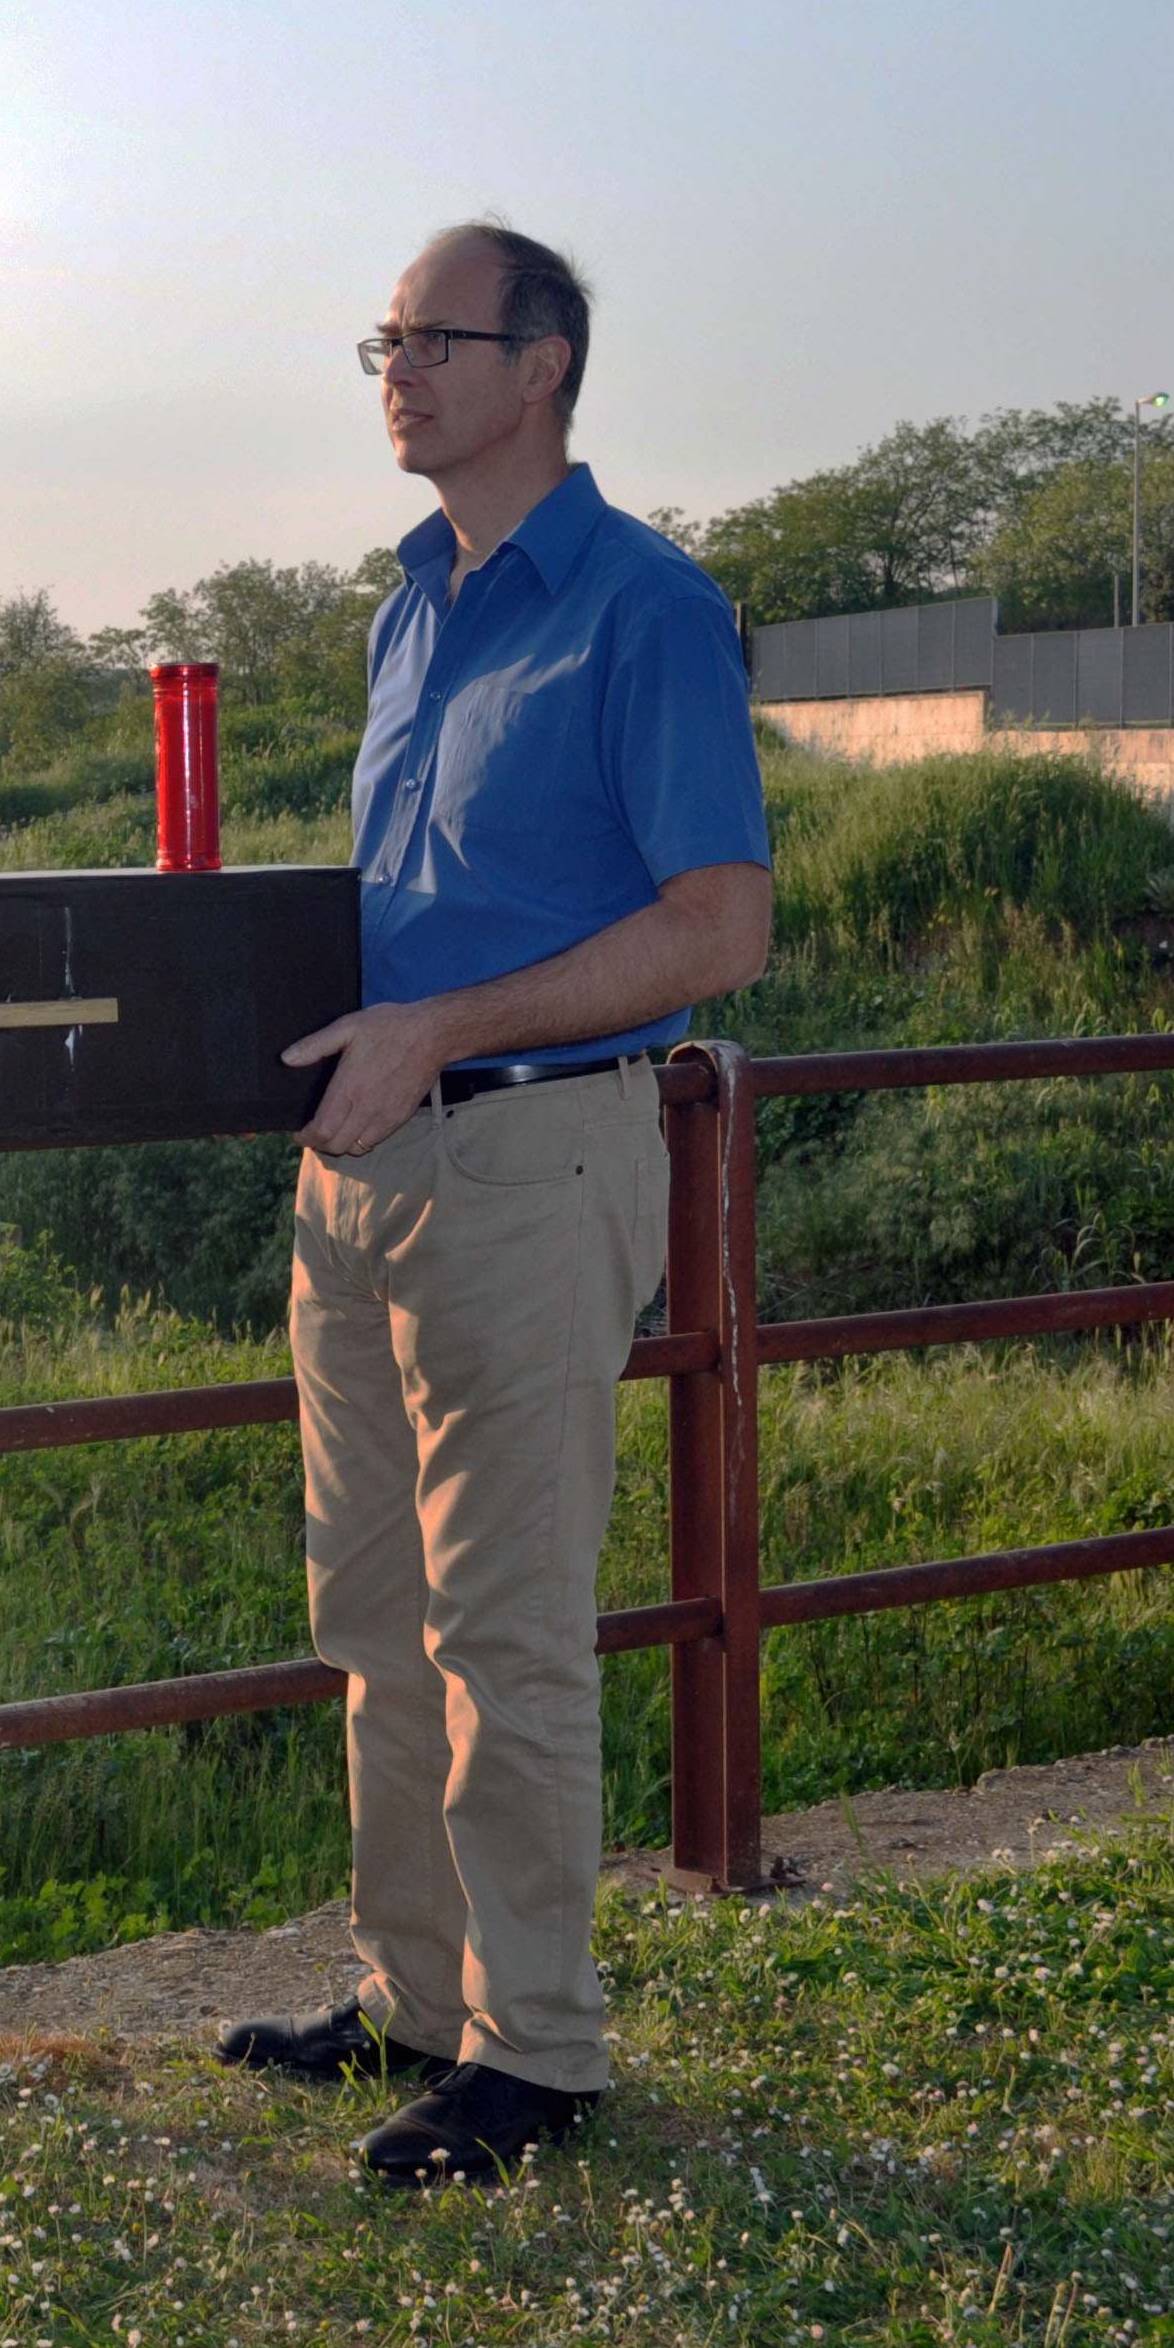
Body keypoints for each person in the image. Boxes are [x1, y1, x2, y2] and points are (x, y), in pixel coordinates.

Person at [215, 221, 772, 2186]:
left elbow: (717, 923)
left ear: (541, 364)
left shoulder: (643, 606)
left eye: (434, 339)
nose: (395, 368)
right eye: (379, 339)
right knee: (367, 1610)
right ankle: (412, 1990)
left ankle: (532, 2048)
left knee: (503, 1626)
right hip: (365, 1164)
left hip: (534, 1156)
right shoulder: (406, 607)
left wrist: (444, 1020)